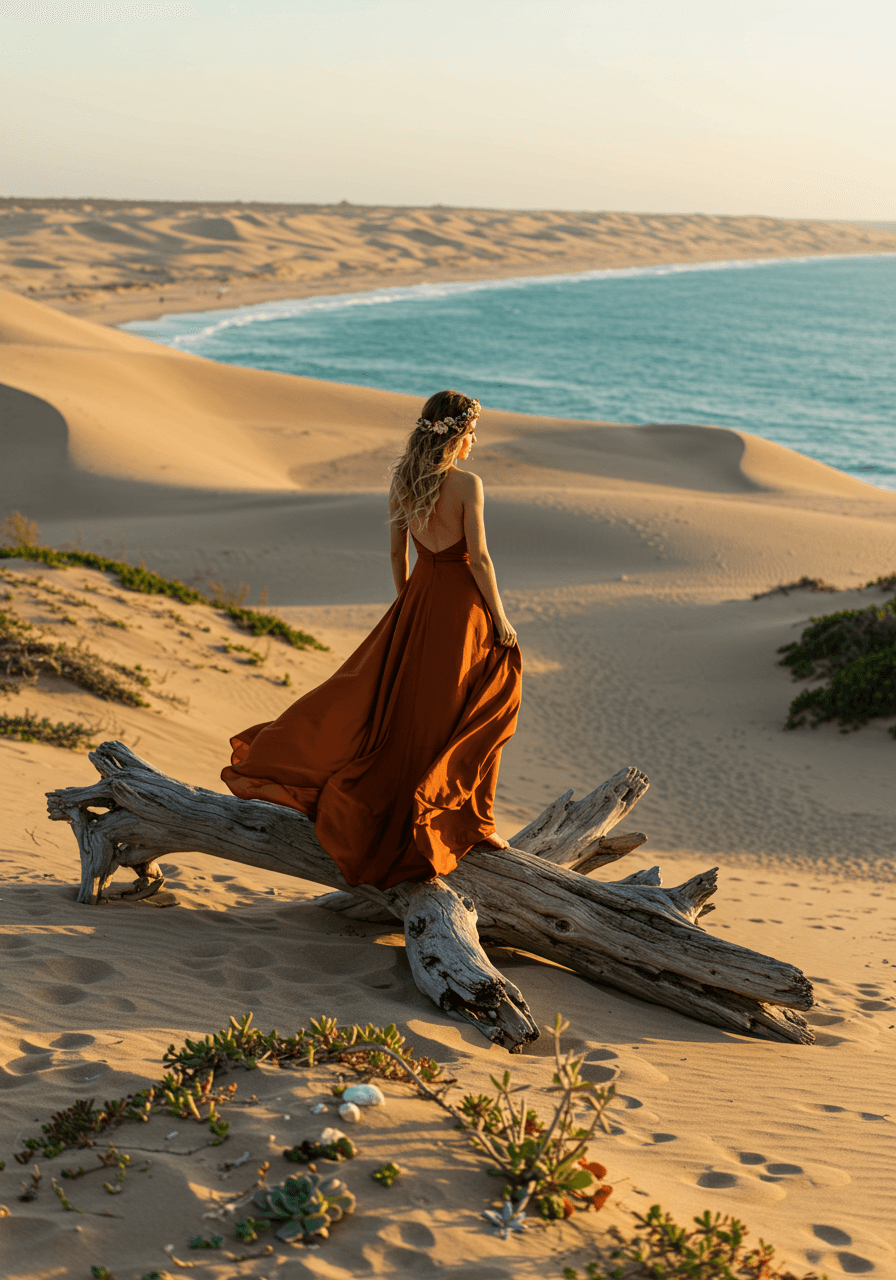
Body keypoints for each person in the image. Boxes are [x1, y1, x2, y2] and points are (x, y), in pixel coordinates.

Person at [221, 390, 522, 889]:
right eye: (471, 431)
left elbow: (396, 555)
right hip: (464, 607)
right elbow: (481, 559)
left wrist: (409, 606)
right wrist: (501, 617)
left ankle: (454, 815)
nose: (475, 440)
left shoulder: (403, 480)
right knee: (477, 708)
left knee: (412, 709)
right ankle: (472, 821)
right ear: (454, 433)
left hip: (420, 599)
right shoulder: (468, 484)